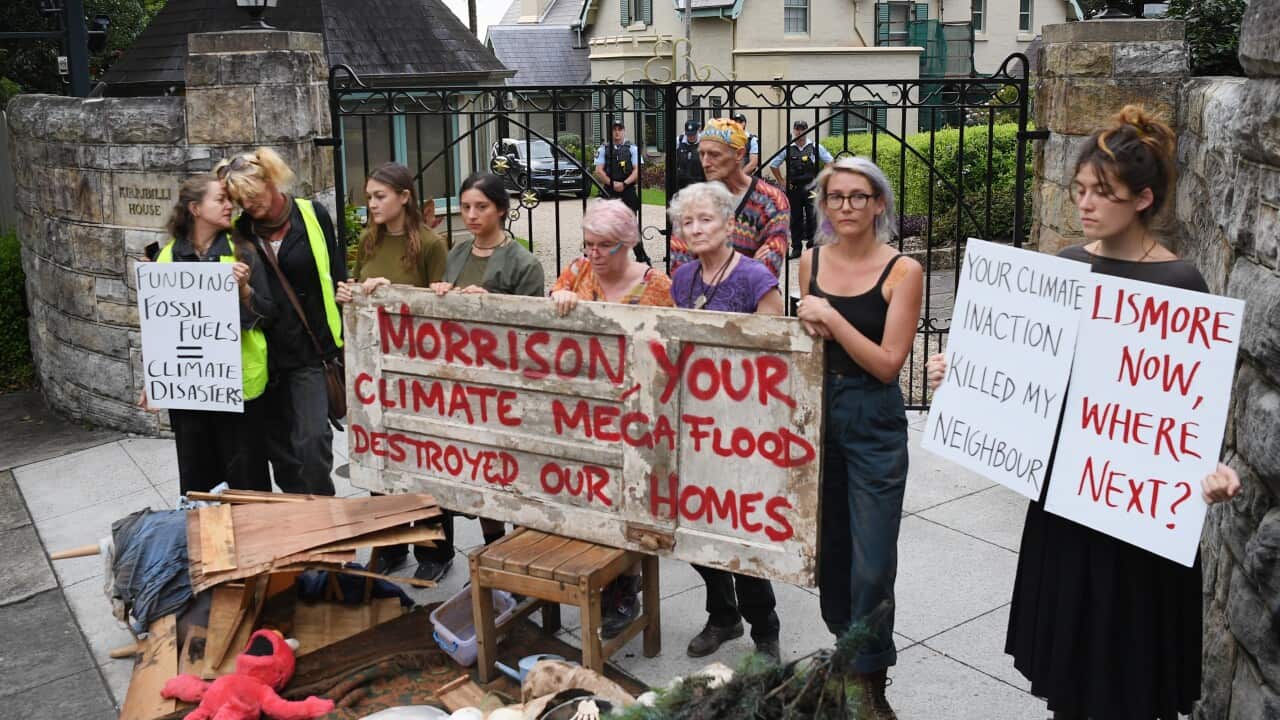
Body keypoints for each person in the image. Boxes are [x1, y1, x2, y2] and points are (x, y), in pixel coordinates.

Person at [926, 106, 1242, 720]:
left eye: (1104, 192)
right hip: (1068, 500)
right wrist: (958, 376)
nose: (1086, 204)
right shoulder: (1068, 265)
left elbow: (1188, 406)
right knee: (1070, 671)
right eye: (1080, 190)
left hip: (1139, 516)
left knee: (1129, 674)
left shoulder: (1180, 284)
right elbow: (1033, 377)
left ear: (1144, 198)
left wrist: (1214, 470)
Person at [795, 158, 923, 720]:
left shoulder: (903, 272)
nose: (845, 207)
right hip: (819, 415)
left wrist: (832, 317)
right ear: (824, 205)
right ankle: (848, 659)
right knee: (833, 557)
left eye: (858, 196)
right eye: (835, 197)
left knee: (872, 562)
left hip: (872, 418)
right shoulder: (809, 262)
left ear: (879, 204)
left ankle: (871, 677)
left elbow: (889, 365)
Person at [667, 181, 784, 664]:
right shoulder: (682, 279)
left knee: (743, 531)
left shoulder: (757, 278)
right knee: (693, 527)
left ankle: (765, 631)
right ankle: (723, 615)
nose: (695, 229)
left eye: (705, 220)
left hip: (745, 430)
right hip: (695, 426)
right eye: (687, 222)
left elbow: (777, 358)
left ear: (728, 223)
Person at [548, 199, 674, 637]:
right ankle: (594, 576)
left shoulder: (656, 285)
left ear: (629, 245)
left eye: (605, 246)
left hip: (637, 409)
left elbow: (671, 349)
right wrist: (558, 296)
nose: (594, 254)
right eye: (589, 244)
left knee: (631, 498)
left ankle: (625, 585)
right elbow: (549, 313)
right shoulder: (578, 271)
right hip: (584, 405)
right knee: (588, 492)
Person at [424, 172, 547, 578]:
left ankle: (523, 553)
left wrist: (492, 303)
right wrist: (441, 293)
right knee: (476, 473)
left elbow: (534, 330)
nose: (473, 215)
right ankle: (495, 551)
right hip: (461, 383)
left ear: (501, 209)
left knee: (509, 472)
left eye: (481, 207)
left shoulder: (524, 262)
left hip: (505, 386)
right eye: (466, 207)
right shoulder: (457, 252)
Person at [335, 161, 449, 581]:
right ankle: (392, 543)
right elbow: (354, 291)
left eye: (380, 196)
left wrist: (392, 292)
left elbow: (442, 307)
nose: (372, 204)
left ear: (404, 197)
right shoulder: (368, 240)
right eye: (369, 197)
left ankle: (435, 550)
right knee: (381, 456)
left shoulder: (431, 245)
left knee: (426, 462)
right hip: (375, 369)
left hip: (418, 371)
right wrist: (347, 293)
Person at [219, 148, 345, 496]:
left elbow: (336, 273)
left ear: (270, 181)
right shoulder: (240, 231)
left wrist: (341, 334)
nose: (249, 205)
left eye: (252, 195)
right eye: (241, 200)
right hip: (266, 354)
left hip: (310, 352)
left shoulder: (311, 214)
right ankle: (301, 527)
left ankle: (325, 518)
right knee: (282, 455)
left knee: (312, 444)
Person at [149, 174, 276, 495]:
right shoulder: (166, 259)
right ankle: (206, 542)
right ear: (195, 208)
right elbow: (162, 328)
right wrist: (153, 377)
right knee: (198, 483)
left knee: (248, 481)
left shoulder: (242, 252)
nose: (229, 205)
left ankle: (255, 544)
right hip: (191, 394)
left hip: (241, 389)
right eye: (220, 199)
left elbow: (269, 315)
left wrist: (245, 290)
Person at [668, 118, 790, 276]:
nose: (705, 163)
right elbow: (680, 271)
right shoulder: (693, 201)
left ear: (739, 154)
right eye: (702, 154)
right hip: (698, 300)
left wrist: (706, 266)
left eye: (714, 154)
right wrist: (749, 264)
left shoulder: (771, 201)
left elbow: (766, 273)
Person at [770, 119, 833, 259]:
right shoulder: (787, 148)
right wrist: (781, 181)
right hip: (794, 189)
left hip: (811, 188)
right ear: (794, 130)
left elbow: (830, 162)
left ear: (807, 130)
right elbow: (773, 165)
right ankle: (796, 248)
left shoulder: (815, 147)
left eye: (803, 129)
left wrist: (822, 179)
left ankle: (812, 246)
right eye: (798, 128)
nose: (800, 131)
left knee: (813, 216)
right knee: (795, 218)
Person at [593, 118, 651, 264]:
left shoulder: (632, 149)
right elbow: (599, 171)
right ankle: (608, 256)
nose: (617, 132)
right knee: (608, 225)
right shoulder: (603, 149)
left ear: (624, 131)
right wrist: (612, 183)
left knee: (631, 224)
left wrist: (624, 184)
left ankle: (641, 255)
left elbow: (638, 170)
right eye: (614, 129)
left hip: (628, 190)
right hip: (609, 191)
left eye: (620, 129)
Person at [674, 119, 705, 192]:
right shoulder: (679, 140)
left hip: (698, 180)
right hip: (682, 182)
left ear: (697, 131)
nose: (691, 137)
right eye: (688, 134)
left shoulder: (703, 141)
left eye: (693, 134)